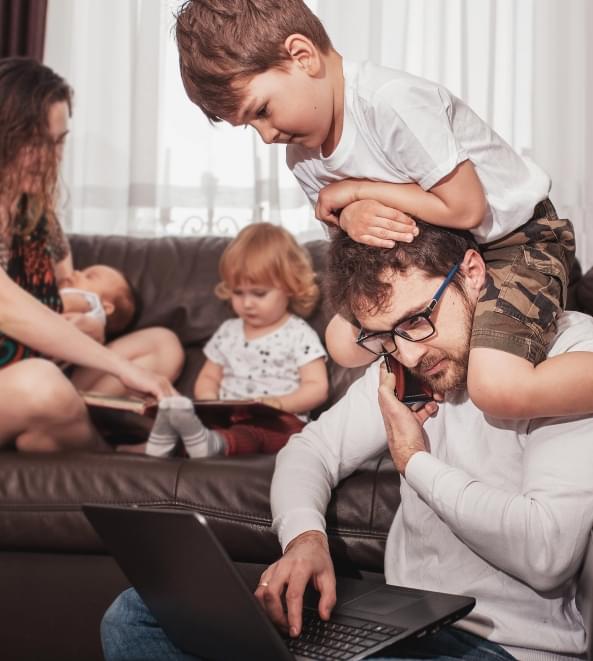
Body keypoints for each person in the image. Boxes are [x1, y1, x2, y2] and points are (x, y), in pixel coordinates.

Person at [101, 221, 593, 660]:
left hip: (504, 643)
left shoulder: (569, 356)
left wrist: (415, 462)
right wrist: (304, 540)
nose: (409, 353)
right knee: (139, 612)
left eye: (417, 321)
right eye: (384, 336)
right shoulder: (404, 361)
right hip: (403, 623)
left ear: (471, 272)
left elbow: (546, 555)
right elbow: (310, 450)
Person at [172, 0, 593, 421]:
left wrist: (355, 191)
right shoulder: (302, 159)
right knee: (340, 341)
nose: (266, 136)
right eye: (251, 126)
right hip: (437, 257)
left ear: (302, 56)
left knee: (499, 390)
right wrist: (349, 220)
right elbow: (356, 258)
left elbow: (466, 208)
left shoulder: (389, 101)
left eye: (261, 111)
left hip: (514, 239)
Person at [0, 56, 183, 452]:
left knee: (162, 344)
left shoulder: (38, 214)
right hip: (23, 380)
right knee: (40, 383)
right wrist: (122, 369)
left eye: (58, 141)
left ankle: (56, 427)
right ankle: (107, 453)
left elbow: (72, 294)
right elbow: (9, 307)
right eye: (34, 142)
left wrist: (94, 324)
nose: (49, 157)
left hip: (45, 370)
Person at [145, 222, 328, 458]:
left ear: (290, 287)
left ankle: (212, 444)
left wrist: (278, 403)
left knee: (255, 434)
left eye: (259, 293)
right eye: (238, 292)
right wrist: (210, 403)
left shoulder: (298, 333)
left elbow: (317, 388)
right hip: (229, 417)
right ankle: (168, 439)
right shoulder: (228, 331)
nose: (247, 303)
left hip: (279, 421)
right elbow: (209, 377)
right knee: (203, 427)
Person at [59, 263, 140, 344]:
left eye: (89, 277)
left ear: (105, 308)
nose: (76, 272)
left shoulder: (92, 303)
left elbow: (62, 303)